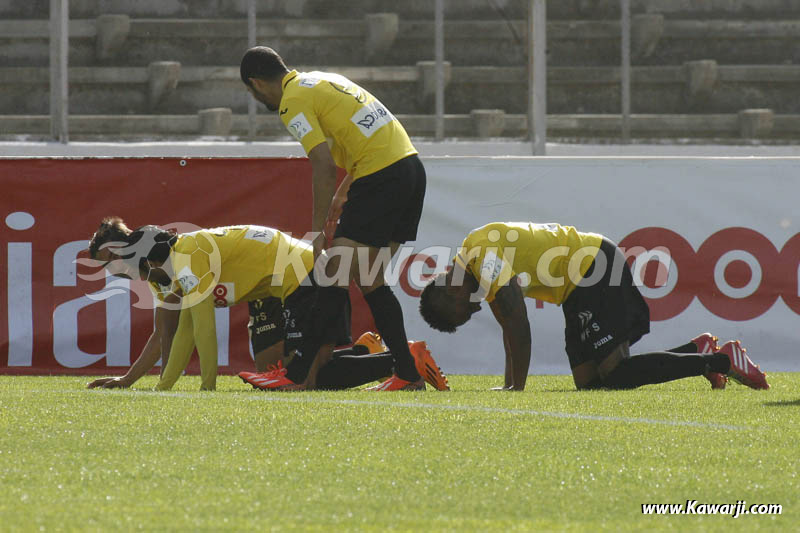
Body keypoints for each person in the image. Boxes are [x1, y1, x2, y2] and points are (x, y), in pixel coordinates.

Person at [240, 46, 427, 390]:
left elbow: (323, 165)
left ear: (255, 84)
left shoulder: (290, 102)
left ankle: (296, 377)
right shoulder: (322, 79)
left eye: (251, 92)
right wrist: (344, 192)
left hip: (380, 175)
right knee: (368, 277)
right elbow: (363, 140)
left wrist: (317, 231)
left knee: (331, 272)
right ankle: (408, 373)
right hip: (410, 169)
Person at [85, 217, 448, 391]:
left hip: (296, 269)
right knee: (273, 369)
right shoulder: (156, 272)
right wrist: (128, 380)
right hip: (266, 289)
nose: (110, 269)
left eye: (111, 259)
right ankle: (361, 351)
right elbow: (164, 334)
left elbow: (201, 329)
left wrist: (204, 387)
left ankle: (400, 360)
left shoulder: (178, 257)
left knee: (300, 380)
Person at [419, 222, 770, 391]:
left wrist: (516, 389)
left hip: (594, 267)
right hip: (577, 289)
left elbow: (519, 327)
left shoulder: (482, 257)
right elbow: (507, 327)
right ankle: (697, 349)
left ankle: (722, 360)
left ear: (451, 291)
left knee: (616, 374)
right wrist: (508, 384)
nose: (476, 311)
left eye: (466, 311)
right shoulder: (471, 263)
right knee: (589, 384)